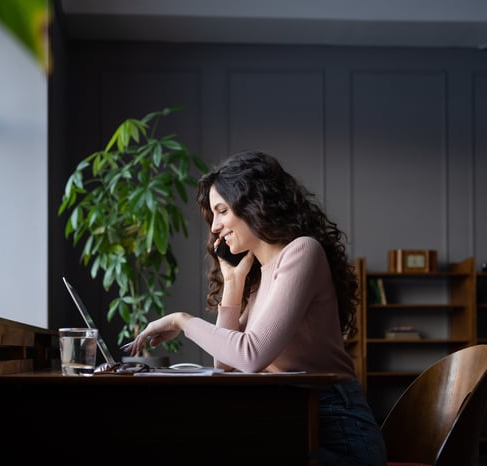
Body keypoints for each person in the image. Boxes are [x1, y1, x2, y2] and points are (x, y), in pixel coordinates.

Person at [129, 150, 387, 465]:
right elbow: (226, 365)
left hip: (338, 429)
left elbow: (250, 356)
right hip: (294, 420)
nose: (215, 228)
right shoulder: (257, 276)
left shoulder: (302, 251)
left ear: (253, 202)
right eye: (213, 215)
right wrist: (233, 283)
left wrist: (182, 321)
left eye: (222, 211)